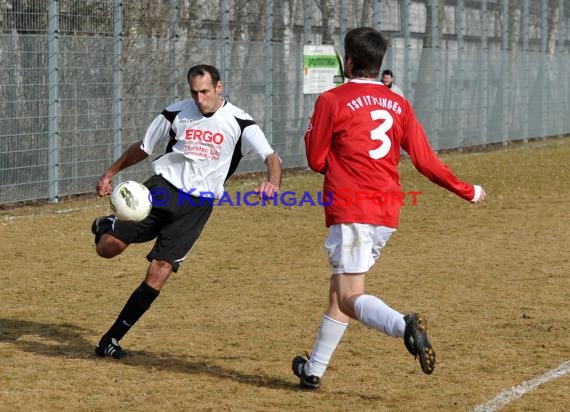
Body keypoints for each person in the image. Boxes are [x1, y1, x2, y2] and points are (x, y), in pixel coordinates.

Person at [292, 27, 486, 389]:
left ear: (348, 60)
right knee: (341, 292)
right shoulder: (399, 103)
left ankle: (405, 326)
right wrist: (468, 191)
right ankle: (313, 370)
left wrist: (310, 132)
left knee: (350, 298)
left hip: (351, 209)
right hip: (386, 212)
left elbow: (316, 160)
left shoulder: (332, 100)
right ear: (379, 63)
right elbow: (426, 162)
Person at [91, 64, 281, 359]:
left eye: (205, 92)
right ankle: (106, 225)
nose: (199, 99)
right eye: (194, 92)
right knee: (107, 248)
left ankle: (111, 339)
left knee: (160, 271)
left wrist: (273, 182)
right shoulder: (175, 113)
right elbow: (144, 147)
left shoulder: (241, 122)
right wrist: (110, 172)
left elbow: (271, 157)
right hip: (161, 190)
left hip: (196, 206)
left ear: (218, 88)